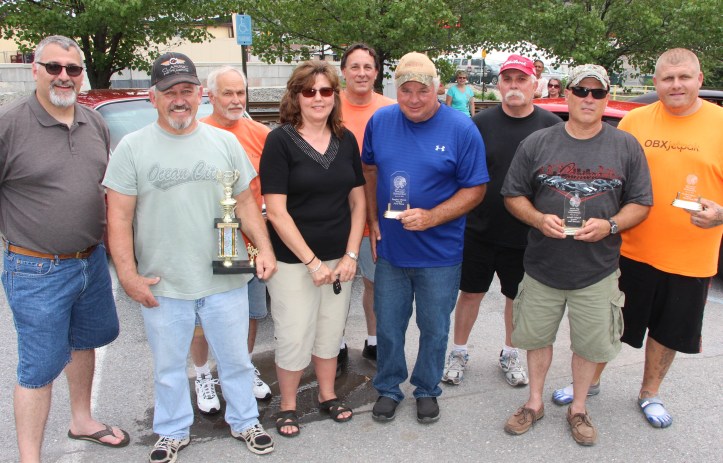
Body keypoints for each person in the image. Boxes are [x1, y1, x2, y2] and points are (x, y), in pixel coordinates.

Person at [104, 52, 276, 461]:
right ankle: (172, 430)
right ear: (153, 97)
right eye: (170, 92)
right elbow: (118, 218)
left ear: (200, 94)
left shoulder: (225, 141)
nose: (179, 99)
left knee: (235, 359)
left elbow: (247, 204)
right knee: (168, 366)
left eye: (186, 90)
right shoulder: (132, 148)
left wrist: (264, 248)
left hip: (227, 271)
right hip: (164, 280)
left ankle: (246, 421)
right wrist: (128, 276)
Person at [551, 48, 723, 429]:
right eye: (667, 78)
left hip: (690, 256)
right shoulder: (635, 122)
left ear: (699, 79)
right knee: (609, 323)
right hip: (629, 249)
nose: (675, 85)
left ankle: (650, 393)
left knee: (669, 331)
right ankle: (589, 383)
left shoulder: (721, 124)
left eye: (683, 78)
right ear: (656, 82)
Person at [500, 64, 652, 446]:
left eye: (597, 93)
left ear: (606, 98)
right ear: (567, 94)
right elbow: (512, 194)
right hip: (542, 267)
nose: (588, 98)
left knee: (589, 345)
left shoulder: (625, 145)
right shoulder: (538, 142)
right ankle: (533, 403)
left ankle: (579, 408)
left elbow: (641, 203)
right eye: (581, 90)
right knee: (535, 338)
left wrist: (611, 225)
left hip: (597, 270)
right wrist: (536, 218)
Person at [0, 35, 129, 462]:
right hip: (36, 268)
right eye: (54, 67)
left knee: (85, 341)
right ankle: (29, 458)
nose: (63, 76)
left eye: (72, 69)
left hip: (90, 261)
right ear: (34, 69)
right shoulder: (10, 124)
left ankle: (82, 420)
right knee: (37, 368)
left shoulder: (94, 123)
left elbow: (106, 189)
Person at [362, 52, 488, 424]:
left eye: (422, 90)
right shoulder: (381, 121)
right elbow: (368, 168)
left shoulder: (462, 128)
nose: (413, 99)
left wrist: (433, 216)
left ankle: (427, 389)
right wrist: (372, 219)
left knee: (433, 328)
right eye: (405, 91)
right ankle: (387, 387)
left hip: (440, 253)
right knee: (387, 325)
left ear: (438, 89)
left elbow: (476, 189)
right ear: (395, 91)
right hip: (392, 250)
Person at [260, 60, 366, 438]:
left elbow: (358, 202)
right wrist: (312, 261)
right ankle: (287, 405)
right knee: (293, 333)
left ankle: (327, 394)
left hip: (340, 259)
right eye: (309, 91)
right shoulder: (280, 141)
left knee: (330, 330)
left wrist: (352, 254)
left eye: (325, 91)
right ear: (296, 96)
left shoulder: (346, 139)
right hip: (294, 261)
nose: (318, 98)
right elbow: (276, 211)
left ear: (334, 96)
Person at [442, 54, 561, 387]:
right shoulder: (478, 125)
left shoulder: (551, 126)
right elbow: (459, 175)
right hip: (479, 230)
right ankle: (459, 351)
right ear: (498, 85)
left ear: (534, 84)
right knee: (470, 294)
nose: (513, 86)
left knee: (515, 298)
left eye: (520, 79)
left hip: (525, 234)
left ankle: (510, 353)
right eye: (507, 79)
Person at [187, 66, 272, 413]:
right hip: (206, 240)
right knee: (202, 316)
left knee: (250, 313)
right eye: (228, 93)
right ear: (210, 96)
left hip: (248, 238)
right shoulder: (194, 134)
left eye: (240, 93)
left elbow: (266, 191)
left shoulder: (261, 134)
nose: (236, 100)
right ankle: (203, 374)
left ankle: (241, 366)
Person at [337, 43, 395, 372]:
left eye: (367, 67)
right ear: (343, 72)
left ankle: (374, 340)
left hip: (377, 213)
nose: (361, 73)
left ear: (376, 72)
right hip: (336, 213)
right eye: (355, 67)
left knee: (376, 282)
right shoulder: (327, 107)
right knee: (338, 281)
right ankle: (336, 339)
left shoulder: (391, 109)